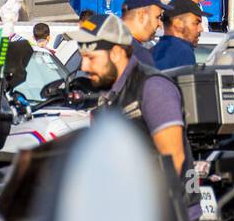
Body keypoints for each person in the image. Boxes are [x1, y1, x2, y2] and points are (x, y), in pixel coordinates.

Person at [69, 13, 192, 179]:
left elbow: (174, 161)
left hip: (168, 204)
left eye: (91, 58)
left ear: (116, 53)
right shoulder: (107, 96)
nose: (84, 66)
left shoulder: (153, 88)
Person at [152, 0, 204, 69]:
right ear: (178, 23)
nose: (201, 29)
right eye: (196, 23)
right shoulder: (183, 52)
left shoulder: (153, 51)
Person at [120, 0, 166, 67]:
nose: (160, 24)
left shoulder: (106, 39)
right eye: (157, 17)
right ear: (141, 16)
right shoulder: (139, 56)